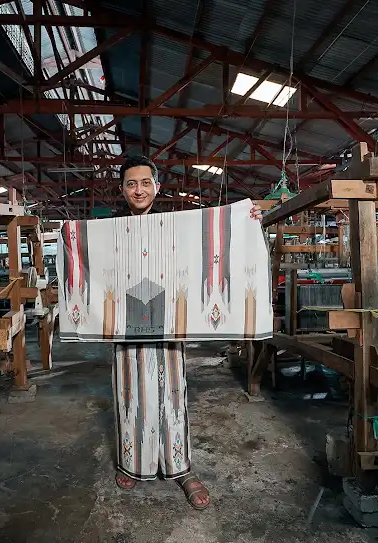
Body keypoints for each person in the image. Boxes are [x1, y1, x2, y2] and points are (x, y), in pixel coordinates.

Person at [113, 156, 263, 510]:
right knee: (130, 392)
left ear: (157, 187)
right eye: (131, 183)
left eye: (145, 182)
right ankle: (133, 465)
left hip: (167, 319)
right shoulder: (112, 231)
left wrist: (248, 221)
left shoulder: (176, 226)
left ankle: (180, 468)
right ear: (122, 190)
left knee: (172, 391)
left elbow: (212, 244)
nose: (139, 189)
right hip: (126, 321)